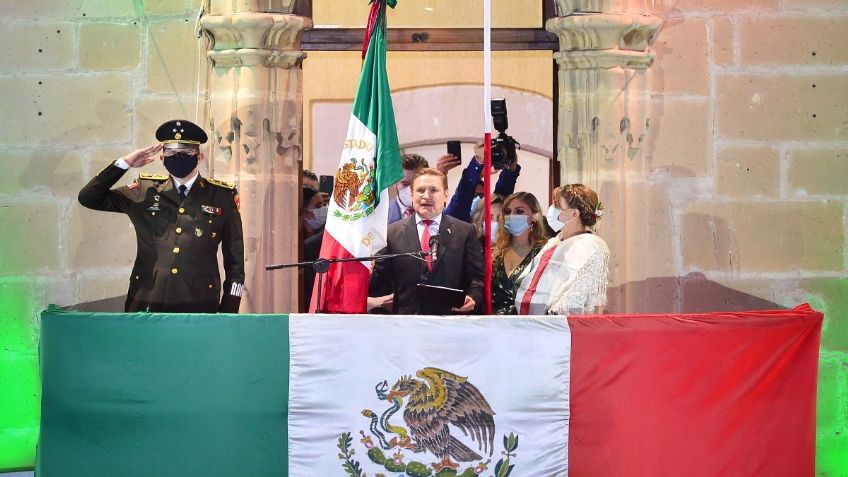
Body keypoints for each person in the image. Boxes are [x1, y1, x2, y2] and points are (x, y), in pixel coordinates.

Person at [78, 119, 245, 313]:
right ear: (162, 158)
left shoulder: (222, 196)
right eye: (171, 153)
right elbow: (88, 197)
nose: (178, 157)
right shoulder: (144, 191)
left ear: (199, 157)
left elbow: (235, 263)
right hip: (147, 300)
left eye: (186, 152)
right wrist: (125, 163)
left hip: (199, 303)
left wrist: (228, 312)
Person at [369, 168, 484, 314]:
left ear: (445, 195)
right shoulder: (391, 233)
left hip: (451, 321)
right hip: (406, 323)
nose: (426, 196)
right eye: (420, 190)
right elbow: (380, 282)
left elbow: (476, 277)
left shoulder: (465, 231)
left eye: (434, 190)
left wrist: (473, 297)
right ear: (412, 194)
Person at [515, 184, 609, 315]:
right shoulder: (554, 242)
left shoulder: (592, 246)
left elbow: (577, 296)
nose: (552, 209)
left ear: (574, 213)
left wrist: (551, 318)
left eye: (557, 206)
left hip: (560, 327)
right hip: (530, 324)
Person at [491, 192, 548, 315]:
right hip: (495, 326)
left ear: (534, 216)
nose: (512, 216)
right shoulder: (495, 254)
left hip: (528, 327)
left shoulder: (544, 253)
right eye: (507, 212)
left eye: (519, 211)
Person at [444, 140, 521, 222]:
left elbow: (500, 198)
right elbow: (464, 192)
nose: (478, 199)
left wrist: (510, 168)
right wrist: (478, 162)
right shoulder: (456, 222)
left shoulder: (491, 225)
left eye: (481, 196)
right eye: (474, 195)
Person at [387, 153, 429, 224]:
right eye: (405, 184)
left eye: (418, 183)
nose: (412, 190)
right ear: (394, 182)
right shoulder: (381, 216)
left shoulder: (439, 213)